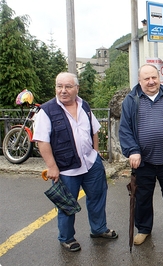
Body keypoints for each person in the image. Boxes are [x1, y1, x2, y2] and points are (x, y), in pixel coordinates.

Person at [33, 72, 118, 252]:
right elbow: (42, 141)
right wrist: (52, 167)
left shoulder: (84, 105)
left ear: (76, 88)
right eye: (59, 86)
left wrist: (95, 153)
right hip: (65, 169)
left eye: (68, 87)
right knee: (66, 205)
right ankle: (66, 238)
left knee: (97, 198)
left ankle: (98, 229)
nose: (63, 91)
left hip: (91, 164)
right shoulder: (46, 111)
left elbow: (94, 130)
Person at [119, 64, 163, 246]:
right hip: (143, 161)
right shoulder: (130, 100)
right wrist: (133, 150)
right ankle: (143, 228)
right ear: (139, 81)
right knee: (142, 197)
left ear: (159, 78)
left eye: (154, 78)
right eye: (146, 79)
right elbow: (125, 129)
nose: (151, 82)